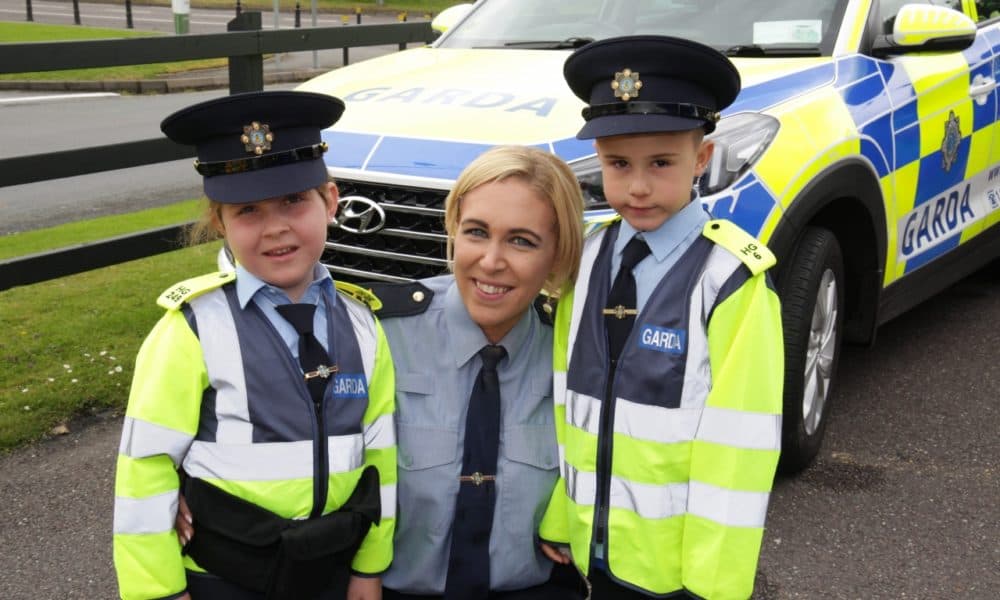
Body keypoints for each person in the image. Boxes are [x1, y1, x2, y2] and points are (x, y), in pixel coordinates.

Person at [112, 91, 396, 600]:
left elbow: (381, 457)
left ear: (329, 201)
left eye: (294, 200)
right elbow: (145, 468)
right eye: (248, 211)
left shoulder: (362, 323)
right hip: (225, 577)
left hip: (330, 570)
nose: (276, 227)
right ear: (220, 222)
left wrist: (369, 568)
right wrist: (158, 591)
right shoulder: (190, 329)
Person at [537, 36, 785, 600]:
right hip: (587, 551)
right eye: (618, 164)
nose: (638, 186)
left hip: (675, 575)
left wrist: (714, 584)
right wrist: (561, 515)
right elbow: (567, 405)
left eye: (662, 163)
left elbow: (739, 451)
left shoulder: (732, 282)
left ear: (702, 158)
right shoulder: (589, 257)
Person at [371, 145, 585, 600]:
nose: (491, 261)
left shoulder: (576, 353)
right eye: (476, 232)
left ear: (558, 253)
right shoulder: (378, 337)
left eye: (521, 240)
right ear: (452, 231)